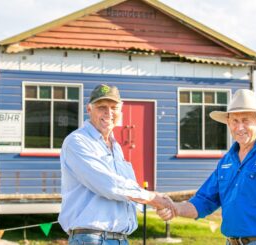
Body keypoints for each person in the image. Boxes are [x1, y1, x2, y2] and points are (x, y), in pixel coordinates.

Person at [58, 84, 174, 245]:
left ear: (121, 111)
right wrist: (152, 198)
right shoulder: (77, 142)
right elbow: (108, 184)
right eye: (102, 107)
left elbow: (125, 194)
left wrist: (158, 205)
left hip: (119, 239)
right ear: (89, 109)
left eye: (114, 107)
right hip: (92, 239)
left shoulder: (116, 147)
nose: (109, 113)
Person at [157, 89, 256, 245]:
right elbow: (204, 201)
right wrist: (174, 208)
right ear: (228, 122)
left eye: (245, 120)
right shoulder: (226, 162)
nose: (240, 127)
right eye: (235, 121)